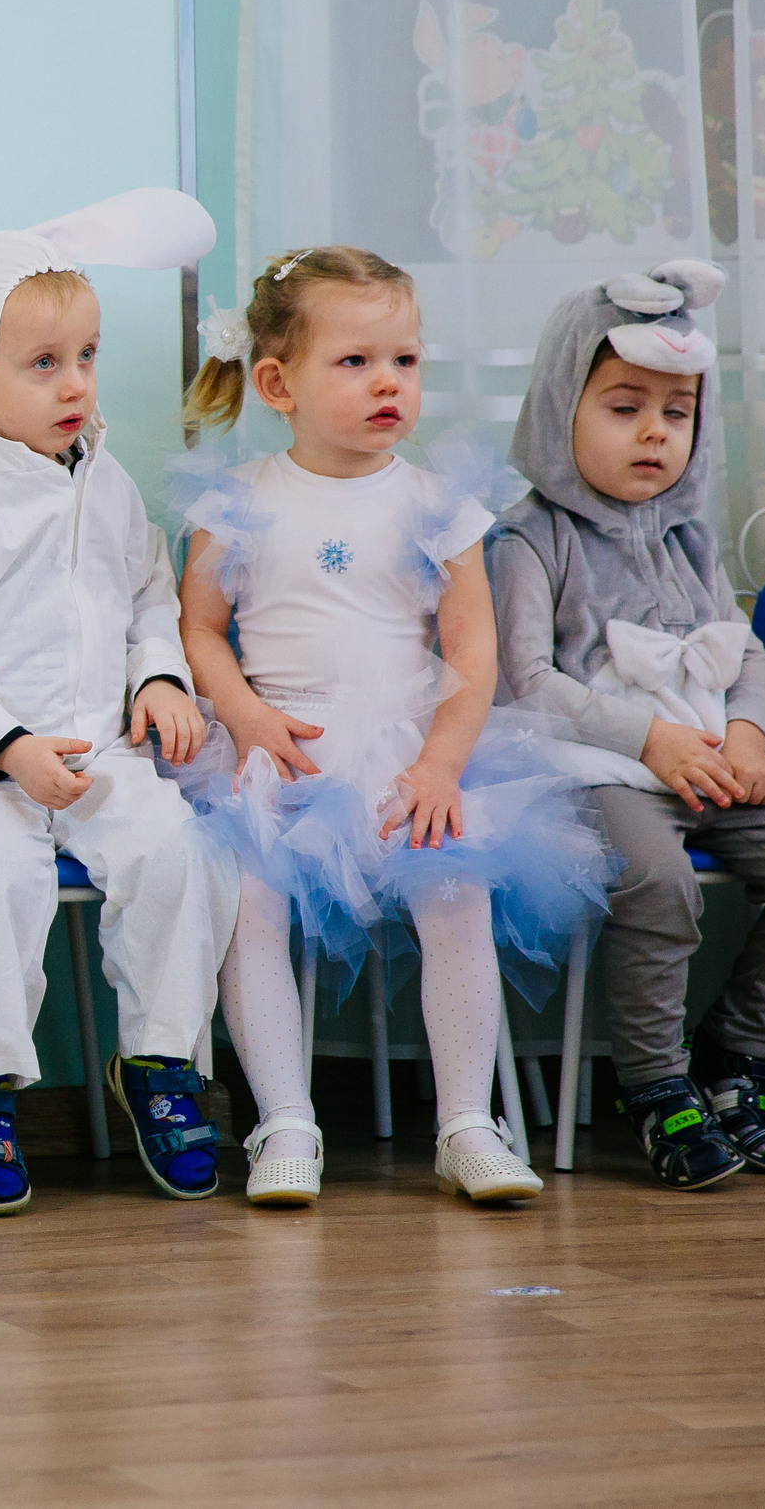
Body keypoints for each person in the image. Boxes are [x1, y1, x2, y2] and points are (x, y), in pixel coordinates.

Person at [176, 246, 611, 1208]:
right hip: (277, 749)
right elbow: (199, 630)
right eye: (357, 362)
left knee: (453, 889)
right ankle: (284, 1119)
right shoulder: (238, 501)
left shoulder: (433, 503)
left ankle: (466, 1121)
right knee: (247, 905)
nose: (389, 384)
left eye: (405, 361)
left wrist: (440, 767)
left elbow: (472, 654)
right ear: (278, 383)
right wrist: (243, 714)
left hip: (412, 752)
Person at [0, 188, 235, 1215]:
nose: (74, 384)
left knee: (171, 852)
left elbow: (149, 593)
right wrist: (6, 746)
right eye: (40, 363)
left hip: (101, 752)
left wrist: (157, 675)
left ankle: (161, 1064)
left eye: (86, 356)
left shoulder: (105, 488)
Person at [489, 259, 765, 1189]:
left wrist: (747, 736)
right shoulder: (527, 536)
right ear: (561, 408)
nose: (654, 434)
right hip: (601, 771)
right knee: (657, 880)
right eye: (625, 407)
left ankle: (734, 1051)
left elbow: (747, 655)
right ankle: (655, 1083)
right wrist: (648, 740)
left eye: (676, 413)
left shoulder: (689, 535)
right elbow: (527, 681)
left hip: (711, 758)